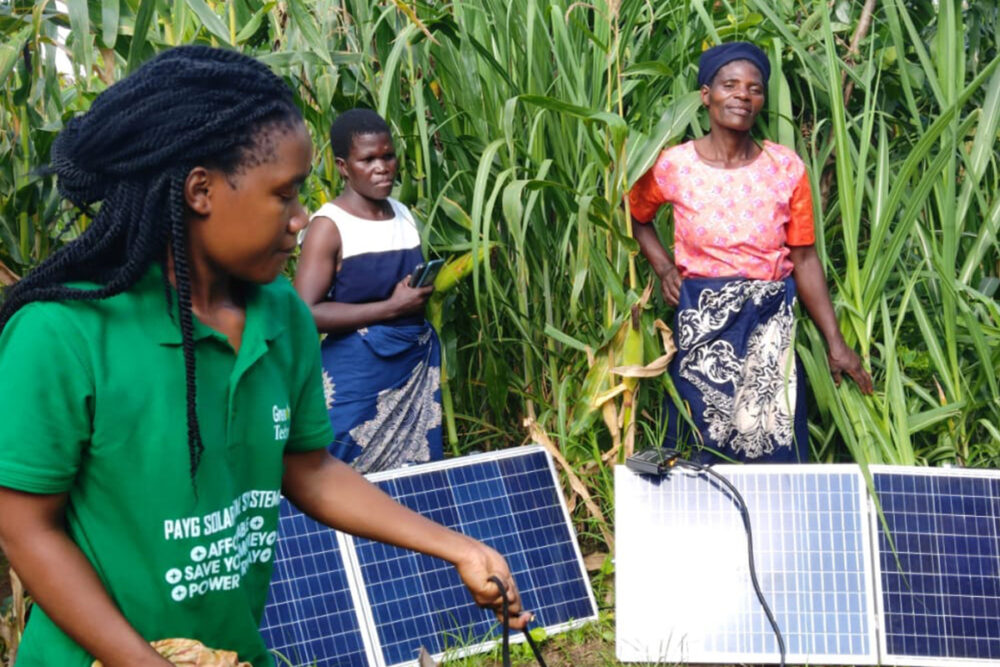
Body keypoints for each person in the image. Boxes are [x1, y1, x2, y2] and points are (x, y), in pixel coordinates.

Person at [0, 46, 527, 667]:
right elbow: (24, 526)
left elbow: (309, 469)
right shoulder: (64, 334)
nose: (302, 220)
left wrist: (455, 547)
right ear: (201, 190)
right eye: (286, 194)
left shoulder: (282, 316)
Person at [629, 42, 873, 464]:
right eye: (730, 85)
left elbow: (805, 258)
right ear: (706, 95)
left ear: (762, 100)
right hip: (703, 320)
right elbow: (633, 214)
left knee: (772, 441)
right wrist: (664, 266)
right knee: (695, 440)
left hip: (769, 325)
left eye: (754, 88)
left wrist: (836, 342)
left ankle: (772, 528)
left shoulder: (785, 168)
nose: (743, 95)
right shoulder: (673, 165)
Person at [294, 109, 443, 473]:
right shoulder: (329, 226)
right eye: (368, 159)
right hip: (356, 378)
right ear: (344, 166)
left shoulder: (403, 214)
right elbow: (304, 313)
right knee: (342, 473)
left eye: (388, 156)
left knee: (416, 482)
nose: (382, 167)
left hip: (411, 366)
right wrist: (391, 308)